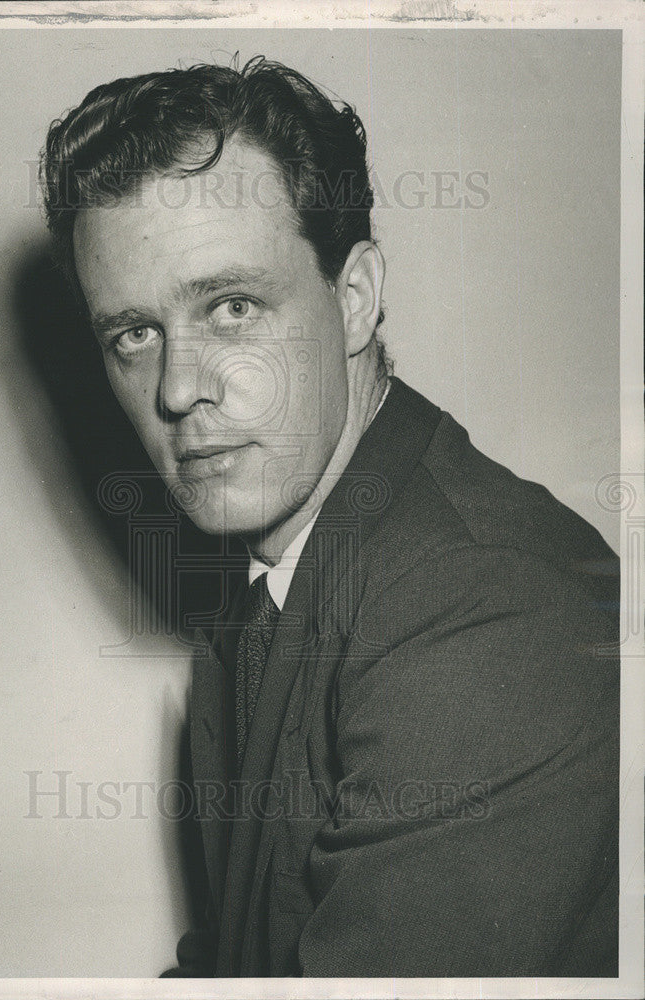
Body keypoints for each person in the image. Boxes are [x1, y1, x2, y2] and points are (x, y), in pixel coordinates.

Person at [40, 57, 619, 977]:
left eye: (232, 307)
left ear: (353, 300)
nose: (179, 388)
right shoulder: (268, 589)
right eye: (134, 334)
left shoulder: (490, 610)